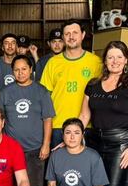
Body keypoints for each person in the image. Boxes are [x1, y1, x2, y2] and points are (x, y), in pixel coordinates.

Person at [79, 41, 128, 186]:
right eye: (110, 57)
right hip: (94, 142)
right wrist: (73, 137)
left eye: (119, 57)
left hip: (120, 145)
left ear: (126, 61)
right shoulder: (92, 84)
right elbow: (84, 116)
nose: (114, 61)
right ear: (105, 61)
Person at [0, 55, 54, 186]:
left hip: (35, 149)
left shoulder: (41, 91)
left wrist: (46, 144)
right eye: (16, 70)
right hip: (11, 149)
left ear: (31, 70)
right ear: (12, 72)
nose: (20, 73)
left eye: (24, 69)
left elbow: (48, 119)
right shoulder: (6, 92)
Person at [40, 19, 103, 148]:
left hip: (88, 125)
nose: (71, 36)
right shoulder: (53, 63)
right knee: (59, 166)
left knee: (86, 166)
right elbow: (44, 97)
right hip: (58, 125)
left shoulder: (96, 62)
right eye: (67, 34)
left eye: (75, 32)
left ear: (83, 35)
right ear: (63, 37)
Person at [45, 118, 108, 186]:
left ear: (83, 134)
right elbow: (51, 184)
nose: (72, 137)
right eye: (68, 133)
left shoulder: (93, 156)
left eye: (77, 133)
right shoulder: (55, 155)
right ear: (63, 135)